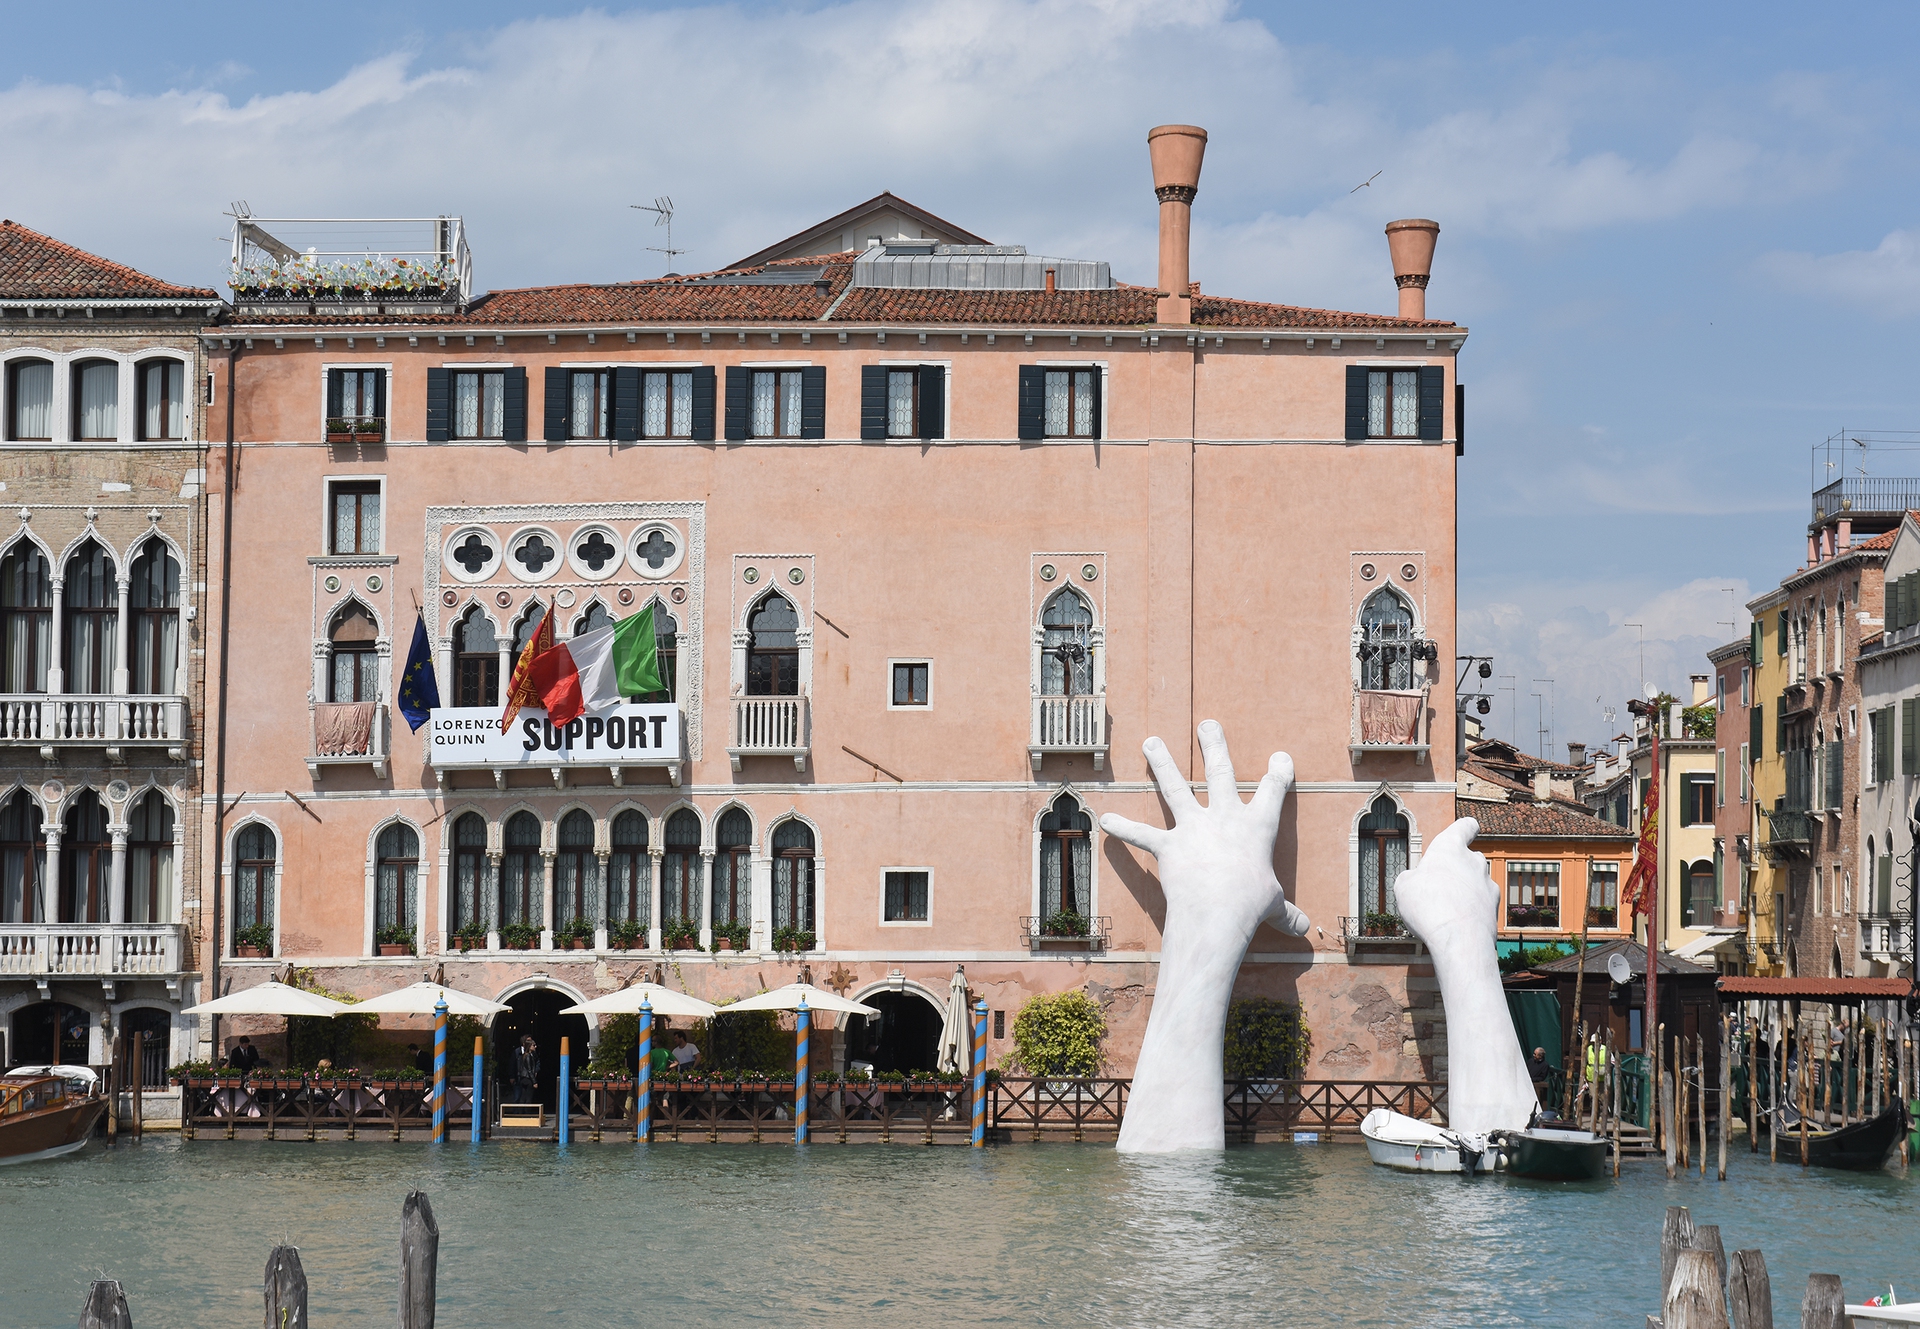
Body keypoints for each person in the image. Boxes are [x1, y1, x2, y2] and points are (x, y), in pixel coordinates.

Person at [512, 1035, 540, 1103]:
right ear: (530, 1046)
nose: (535, 1047)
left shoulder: (527, 1055)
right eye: (534, 1045)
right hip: (527, 1078)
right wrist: (534, 1082)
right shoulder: (528, 1056)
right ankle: (526, 1113)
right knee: (528, 1097)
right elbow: (529, 1070)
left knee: (523, 1096)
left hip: (523, 1078)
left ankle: (522, 1112)